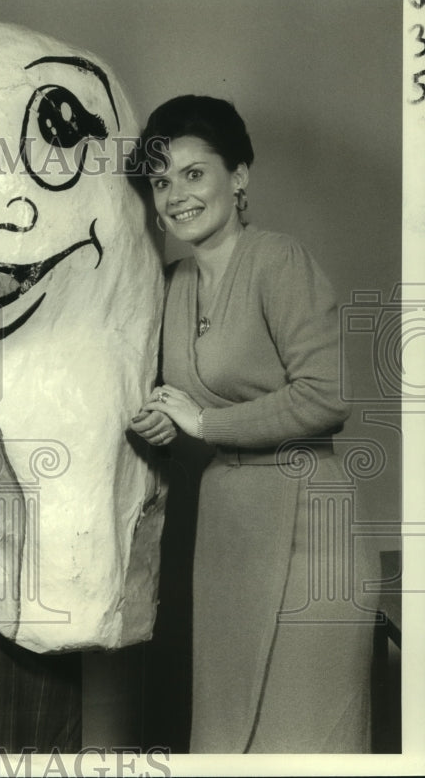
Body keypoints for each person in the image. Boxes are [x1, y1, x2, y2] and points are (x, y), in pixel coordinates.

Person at [130, 95, 375, 753]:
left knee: (301, 740)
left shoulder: (279, 260)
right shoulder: (174, 282)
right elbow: (185, 402)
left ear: (239, 176)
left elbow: (326, 399)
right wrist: (165, 420)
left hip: (307, 533)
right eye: (160, 181)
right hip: (227, 538)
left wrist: (204, 422)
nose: (176, 195)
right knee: (227, 739)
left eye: (194, 173)